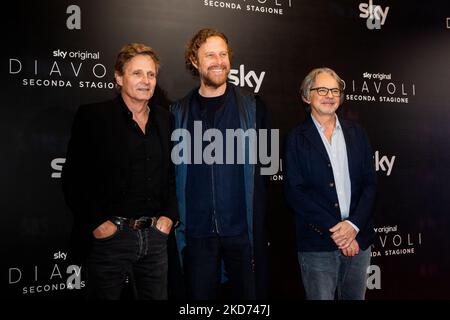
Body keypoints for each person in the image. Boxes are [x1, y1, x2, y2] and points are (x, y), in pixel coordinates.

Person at [61, 43, 178, 300]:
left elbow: (171, 175)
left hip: (156, 238)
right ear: (118, 76)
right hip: (110, 239)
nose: (146, 81)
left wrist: (168, 218)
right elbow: (74, 179)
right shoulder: (94, 116)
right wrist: (99, 226)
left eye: (151, 74)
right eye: (137, 73)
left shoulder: (165, 119)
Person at [170, 28, 270, 300]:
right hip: (197, 234)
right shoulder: (176, 113)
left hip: (242, 233)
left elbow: (266, 174)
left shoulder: (254, 108)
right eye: (210, 54)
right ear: (194, 61)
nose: (218, 61)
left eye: (223, 54)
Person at [284, 67, 376, 300]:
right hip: (318, 244)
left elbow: (370, 184)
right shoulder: (296, 138)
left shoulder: (358, 133)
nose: (330, 95)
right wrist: (337, 231)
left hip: (359, 240)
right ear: (307, 96)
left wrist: (353, 226)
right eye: (322, 89)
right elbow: (295, 192)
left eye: (335, 90)